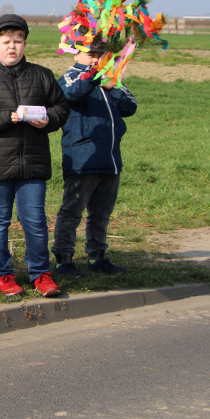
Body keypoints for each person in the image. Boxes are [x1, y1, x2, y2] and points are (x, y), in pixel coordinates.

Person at [0, 14, 69, 298]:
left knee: (34, 220)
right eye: (6, 42)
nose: (12, 47)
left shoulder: (41, 75)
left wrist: (49, 120)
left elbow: (61, 108)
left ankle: (41, 274)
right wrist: (7, 117)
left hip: (33, 163)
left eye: (18, 41)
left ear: (24, 44)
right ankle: (2, 274)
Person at [52, 43, 137, 276]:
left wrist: (114, 85)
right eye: (91, 54)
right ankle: (63, 258)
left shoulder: (108, 79)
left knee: (101, 212)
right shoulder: (71, 77)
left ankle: (97, 257)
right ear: (76, 53)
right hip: (82, 159)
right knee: (72, 211)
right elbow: (70, 93)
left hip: (110, 159)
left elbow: (131, 106)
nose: (96, 59)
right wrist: (93, 75)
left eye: (101, 55)